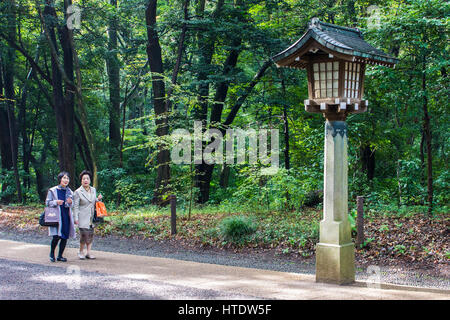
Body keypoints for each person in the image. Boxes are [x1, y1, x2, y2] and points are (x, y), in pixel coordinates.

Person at [45, 171, 76, 262]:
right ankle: (52, 254)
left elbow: (72, 204)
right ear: (60, 179)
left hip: (66, 216)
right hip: (56, 216)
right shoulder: (53, 190)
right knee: (56, 236)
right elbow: (47, 203)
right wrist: (56, 202)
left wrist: (71, 202)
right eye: (64, 178)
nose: (66, 180)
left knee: (65, 236)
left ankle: (60, 256)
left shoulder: (70, 191)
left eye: (67, 178)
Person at [73, 170, 102, 260]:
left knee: (90, 234)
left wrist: (98, 199)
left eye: (87, 178)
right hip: (82, 216)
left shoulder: (93, 190)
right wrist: (75, 218)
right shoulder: (78, 192)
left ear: (90, 180)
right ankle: (81, 251)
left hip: (91, 216)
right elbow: (76, 206)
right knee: (84, 235)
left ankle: (88, 253)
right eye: (84, 179)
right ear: (81, 181)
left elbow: (93, 201)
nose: (86, 180)